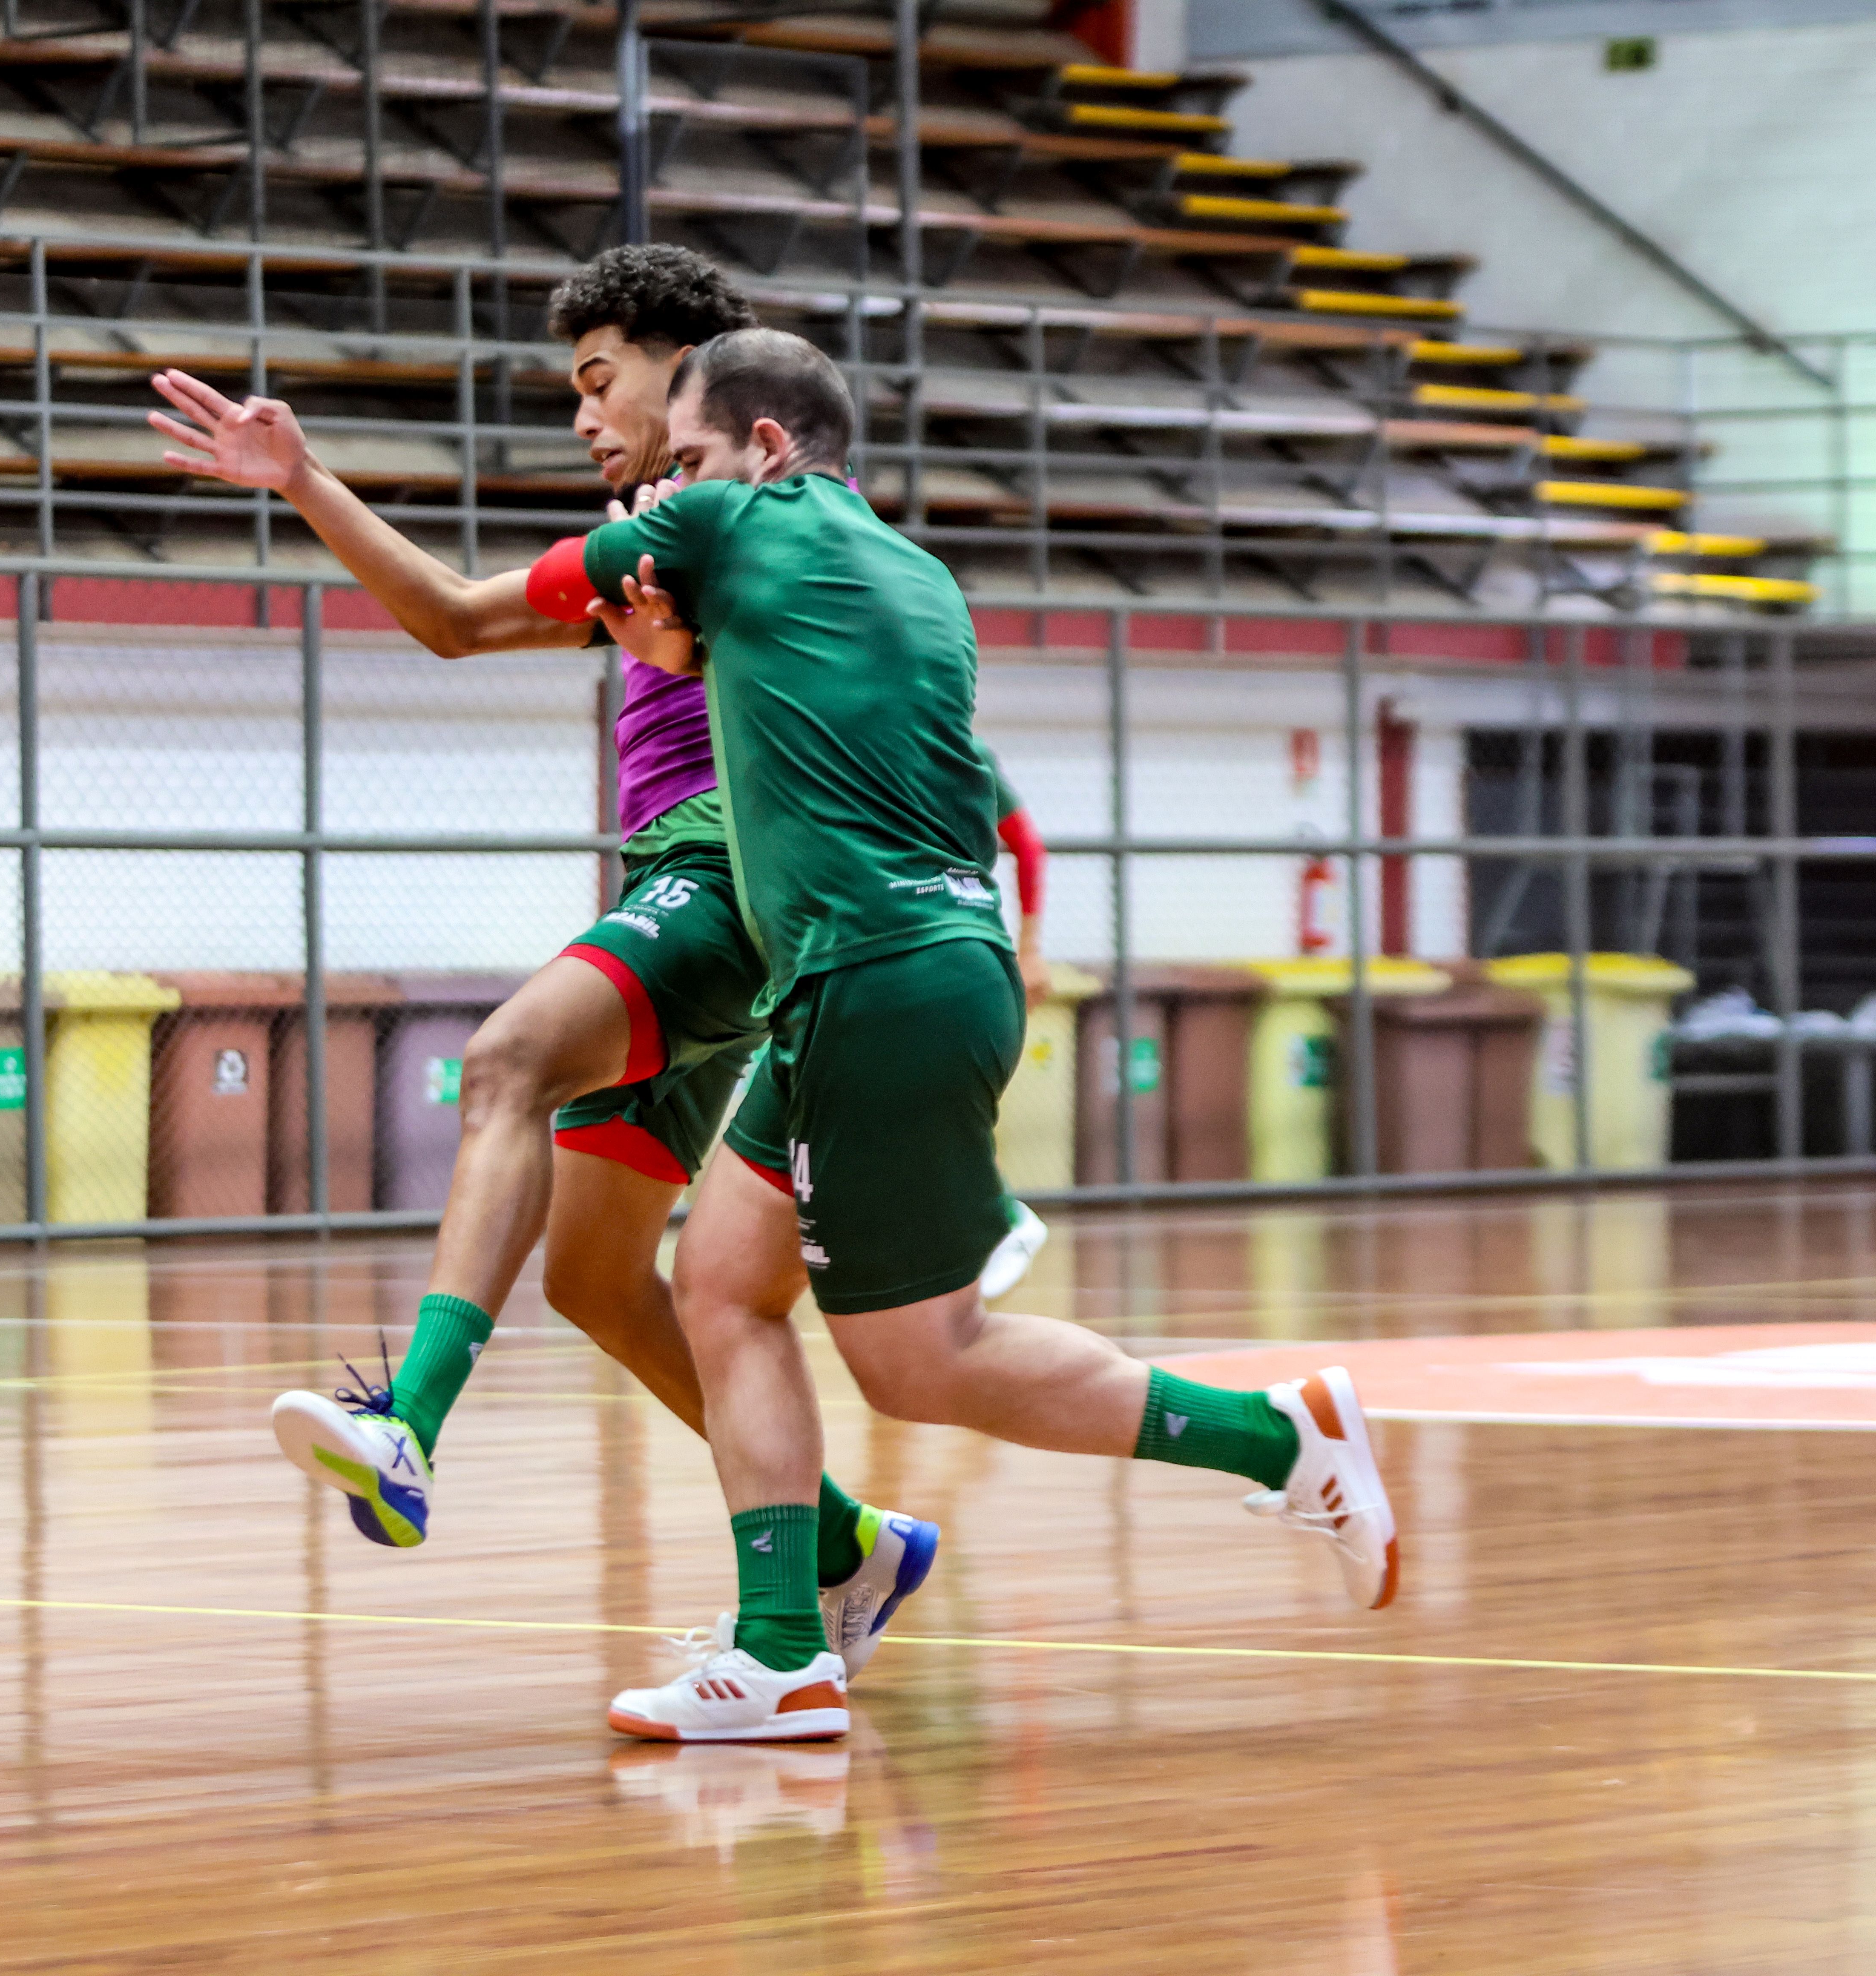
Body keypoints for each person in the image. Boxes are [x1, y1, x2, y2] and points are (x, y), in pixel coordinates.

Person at [149, 246, 1045, 1676]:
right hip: (701, 896)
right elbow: (457, 619)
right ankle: (841, 1544)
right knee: (597, 1275)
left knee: (506, 1059)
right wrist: (301, 481)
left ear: (690, 382)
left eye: (597, 379)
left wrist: (311, 483)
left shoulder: (732, 525)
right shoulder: (692, 530)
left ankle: (408, 1425)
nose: (579, 415)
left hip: (728, 880)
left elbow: (473, 622)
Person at [526, 330, 1396, 1742]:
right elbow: (758, 676)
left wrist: (626, 534)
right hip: (922, 966)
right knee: (723, 1289)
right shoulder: (917, 577)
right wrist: (675, 638)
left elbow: (528, 590)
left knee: (923, 1361)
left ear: (765, 449)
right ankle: (784, 1649)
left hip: (868, 980)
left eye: (690, 456)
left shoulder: (726, 521)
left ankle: (1280, 1437)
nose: (672, 480)